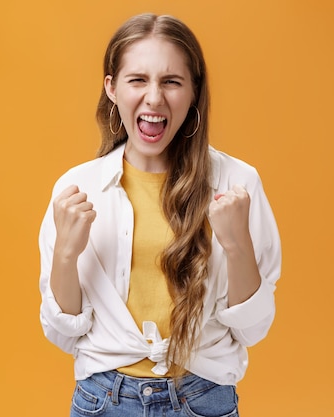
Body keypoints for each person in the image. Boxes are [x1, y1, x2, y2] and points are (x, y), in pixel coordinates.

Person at [39, 13, 281, 417]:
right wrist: (65, 252)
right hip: (104, 401)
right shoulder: (78, 188)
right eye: (138, 80)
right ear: (112, 89)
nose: (154, 98)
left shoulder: (238, 184)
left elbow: (252, 330)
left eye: (171, 81)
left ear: (193, 92)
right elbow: (64, 335)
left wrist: (237, 245)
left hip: (204, 400)